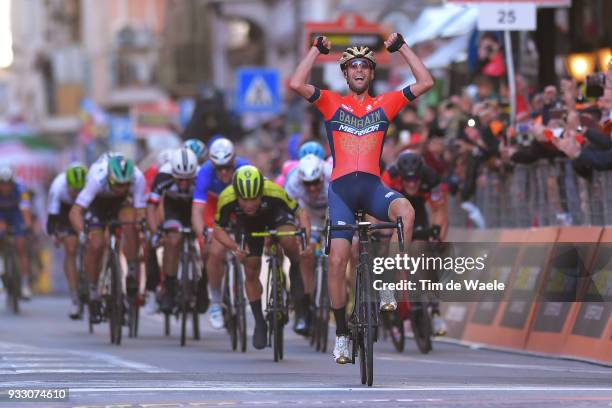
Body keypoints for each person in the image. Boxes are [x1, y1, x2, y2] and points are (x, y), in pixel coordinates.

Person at [288, 32, 433, 363]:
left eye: (365, 67)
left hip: (373, 188)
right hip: (341, 192)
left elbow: (425, 82)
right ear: (345, 73)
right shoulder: (330, 102)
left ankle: (390, 284)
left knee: (406, 212)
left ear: (371, 74)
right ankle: (340, 333)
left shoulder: (385, 104)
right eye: (352, 66)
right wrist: (314, 49)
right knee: (338, 261)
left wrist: (401, 48)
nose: (358, 71)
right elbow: (296, 83)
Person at [213, 165, 313, 349]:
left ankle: (295, 267)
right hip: (248, 226)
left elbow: (300, 212)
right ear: (236, 194)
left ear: (262, 192)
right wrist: (234, 247)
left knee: (287, 239)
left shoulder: (273, 191)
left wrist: (305, 238)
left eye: (254, 199)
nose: (249, 204)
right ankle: (260, 322)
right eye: (244, 200)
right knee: (250, 268)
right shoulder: (227, 197)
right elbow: (217, 229)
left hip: (275, 216)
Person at [69, 154, 147, 324]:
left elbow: (140, 210)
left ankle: (131, 273)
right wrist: (83, 234)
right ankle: (93, 293)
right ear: (109, 178)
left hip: (122, 204)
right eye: (118, 184)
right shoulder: (97, 178)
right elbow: (75, 212)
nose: (121, 187)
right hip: (98, 204)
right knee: (96, 245)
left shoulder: (138, 177)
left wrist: (141, 228)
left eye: (125, 184)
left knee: (130, 224)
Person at [381, 151, 449, 335]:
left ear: (421, 175)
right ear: (401, 177)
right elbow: (376, 208)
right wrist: (381, 232)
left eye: (415, 180)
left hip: (418, 212)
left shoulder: (431, 177)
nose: (411, 184)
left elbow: (440, 210)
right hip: (394, 211)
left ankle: (435, 310)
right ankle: (390, 296)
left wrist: (437, 235)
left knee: (423, 252)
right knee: (386, 248)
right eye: (407, 180)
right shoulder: (389, 177)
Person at [191, 137, 249, 329]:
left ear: (234, 160)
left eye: (227, 167)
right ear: (212, 164)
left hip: (238, 203)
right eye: (219, 168)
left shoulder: (245, 168)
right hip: (214, 205)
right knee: (214, 251)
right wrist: (203, 235)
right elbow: (197, 211)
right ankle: (216, 301)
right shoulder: (205, 172)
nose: (224, 172)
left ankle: (241, 288)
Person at [147, 148, 204, 314]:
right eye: (180, 179)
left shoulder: (201, 176)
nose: (185, 183)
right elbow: (152, 206)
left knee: (209, 243)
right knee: (173, 240)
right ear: (173, 172)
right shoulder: (163, 176)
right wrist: (155, 231)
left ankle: (202, 286)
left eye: (188, 179)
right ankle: (170, 289)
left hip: (195, 207)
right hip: (174, 209)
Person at [284, 154, 332, 334]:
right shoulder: (294, 182)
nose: (312, 188)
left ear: (322, 177)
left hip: (330, 211)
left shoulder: (331, 175)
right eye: (308, 184)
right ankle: (307, 302)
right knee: (306, 255)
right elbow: (287, 210)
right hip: (307, 215)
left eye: (316, 183)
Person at [47, 163, 88, 318]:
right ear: (67, 184)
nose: (76, 193)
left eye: (80, 190)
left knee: (96, 241)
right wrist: (54, 234)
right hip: (64, 212)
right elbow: (52, 217)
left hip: (86, 208)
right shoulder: (58, 187)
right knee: (70, 247)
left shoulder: (90, 186)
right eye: (74, 190)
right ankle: (75, 296)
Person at [0, 165, 33, 299]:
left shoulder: (21, 188)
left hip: (16, 214)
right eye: (2, 184)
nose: (6, 188)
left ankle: (25, 285)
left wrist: (28, 224)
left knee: (20, 245)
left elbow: (25, 208)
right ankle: (2, 268)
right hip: (1, 214)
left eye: (9, 185)